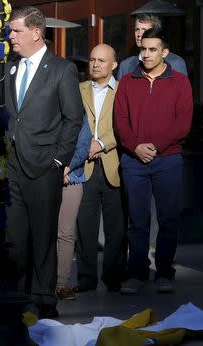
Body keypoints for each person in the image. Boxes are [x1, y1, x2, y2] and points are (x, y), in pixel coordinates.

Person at [5, 6, 83, 318]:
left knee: (44, 235)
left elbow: (73, 118)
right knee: (16, 237)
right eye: (10, 31)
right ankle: (20, 297)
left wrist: (57, 159)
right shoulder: (12, 66)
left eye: (16, 31)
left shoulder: (61, 69)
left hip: (44, 166)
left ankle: (44, 299)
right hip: (13, 166)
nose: (10, 36)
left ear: (36, 33)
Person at [115, 28, 193, 294]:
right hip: (133, 160)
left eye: (152, 49)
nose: (146, 54)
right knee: (137, 221)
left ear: (165, 52)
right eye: (143, 49)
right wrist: (135, 147)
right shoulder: (127, 81)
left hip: (168, 159)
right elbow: (120, 121)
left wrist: (155, 147)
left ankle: (164, 272)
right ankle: (137, 273)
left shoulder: (181, 82)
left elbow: (183, 124)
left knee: (168, 219)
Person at [74, 44, 126, 294]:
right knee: (85, 226)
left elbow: (125, 125)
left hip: (113, 164)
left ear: (114, 65)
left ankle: (114, 276)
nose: (95, 64)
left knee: (116, 226)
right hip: (84, 166)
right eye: (92, 59)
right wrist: (84, 146)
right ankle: (86, 277)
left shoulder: (123, 91)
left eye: (101, 61)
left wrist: (102, 143)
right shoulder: (78, 89)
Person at [56, 114, 92, 300]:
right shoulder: (45, 109)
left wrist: (65, 168)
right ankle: (39, 283)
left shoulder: (80, 115)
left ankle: (61, 284)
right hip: (45, 175)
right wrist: (55, 168)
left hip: (72, 177)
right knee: (41, 231)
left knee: (66, 232)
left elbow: (84, 146)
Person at [117, 13, 187, 79]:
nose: (139, 34)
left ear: (155, 32)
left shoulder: (176, 63)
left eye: (144, 30)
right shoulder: (125, 65)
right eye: (137, 29)